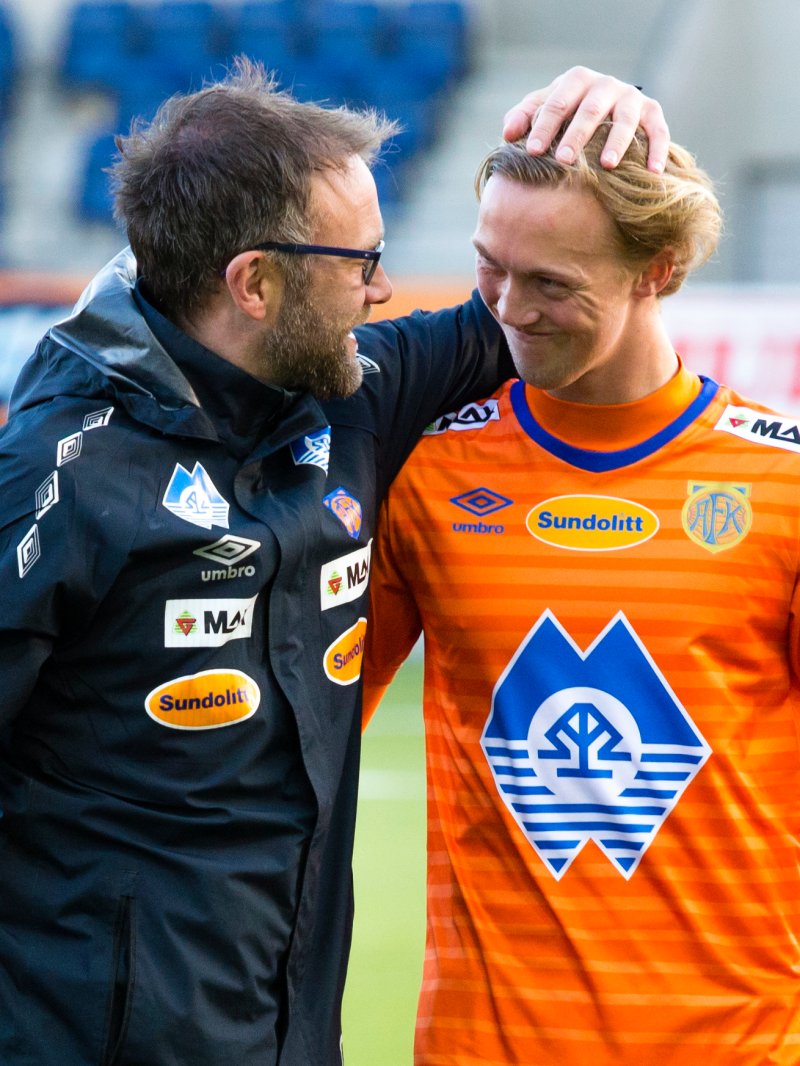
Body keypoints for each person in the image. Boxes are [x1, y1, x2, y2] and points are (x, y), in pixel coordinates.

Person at [0, 58, 666, 1066]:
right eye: (359, 261)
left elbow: (547, 301)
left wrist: (611, 127)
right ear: (255, 282)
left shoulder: (350, 390)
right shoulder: (53, 480)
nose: (384, 288)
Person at [363, 122, 800, 1065]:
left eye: (552, 283)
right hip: (485, 1046)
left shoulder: (787, 484)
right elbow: (301, 741)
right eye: (490, 267)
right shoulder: (425, 471)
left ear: (661, 271)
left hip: (740, 1046)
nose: (508, 310)